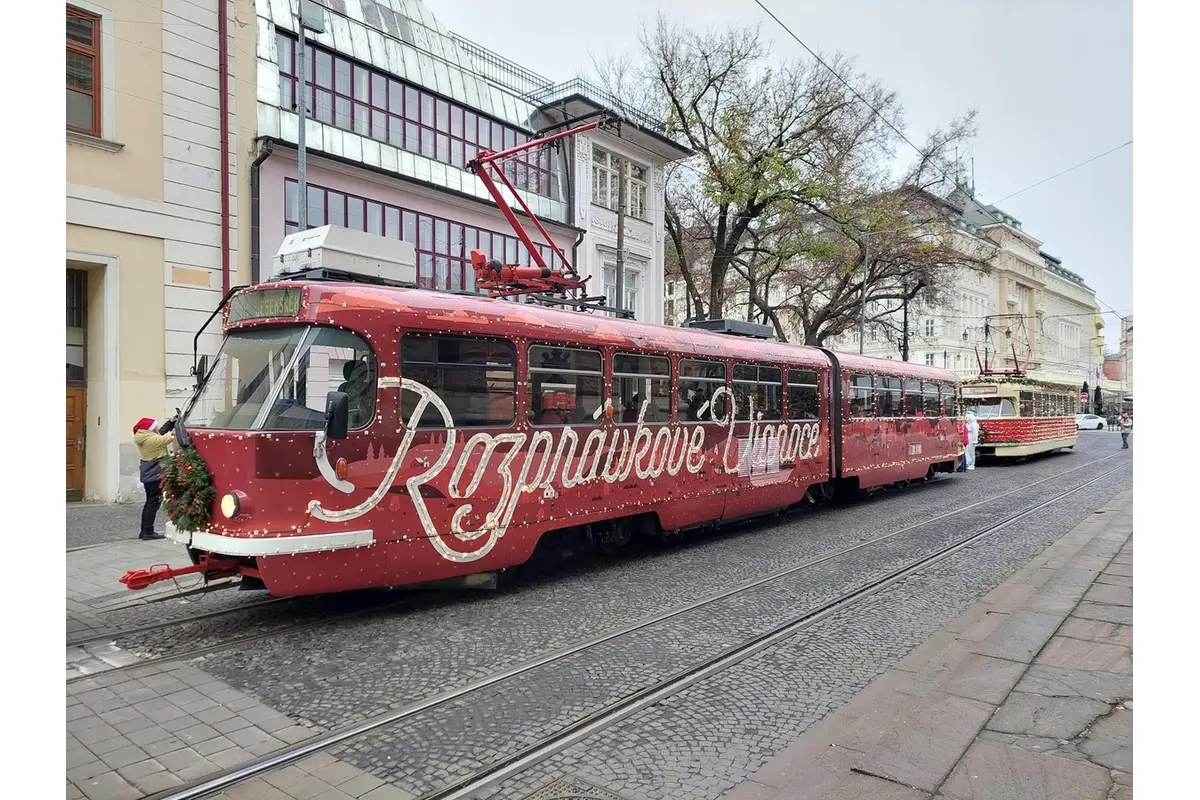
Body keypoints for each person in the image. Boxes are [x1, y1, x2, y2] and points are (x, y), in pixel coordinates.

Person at [133, 416, 177, 540]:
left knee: (149, 503)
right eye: (155, 426)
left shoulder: (144, 436)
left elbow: (160, 433)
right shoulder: (151, 441)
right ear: (150, 428)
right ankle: (148, 532)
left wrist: (171, 422)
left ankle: (144, 531)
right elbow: (168, 437)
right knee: (153, 504)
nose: (157, 427)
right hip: (154, 475)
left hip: (148, 475)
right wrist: (179, 426)